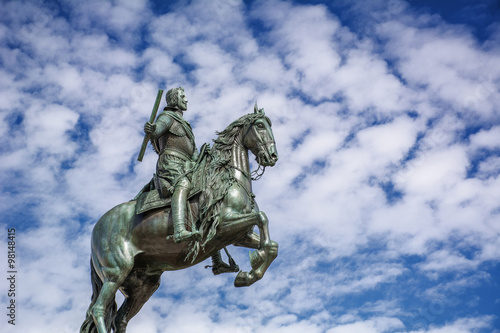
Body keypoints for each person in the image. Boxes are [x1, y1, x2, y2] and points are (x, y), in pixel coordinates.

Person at [144, 87, 201, 243]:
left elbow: (193, 152)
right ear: (175, 99)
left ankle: (216, 260)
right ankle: (179, 230)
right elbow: (157, 131)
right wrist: (152, 129)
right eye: (183, 96)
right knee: (182, 184)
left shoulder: (185, 124)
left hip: (187, 165)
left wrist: (202, 158)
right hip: (171, 162)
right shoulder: (167, 117)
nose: (186, 99)